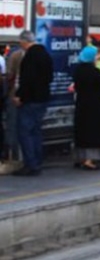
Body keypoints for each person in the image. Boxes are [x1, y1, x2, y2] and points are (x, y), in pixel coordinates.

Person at [12, 30, 53, 176]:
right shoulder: (45, 54)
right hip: (43, 98)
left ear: (24, 41)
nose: (20, 45)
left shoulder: (30, 57)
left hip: (30, 100)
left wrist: (19, 96)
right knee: (36, 131)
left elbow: (27, 80)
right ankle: (37, 160)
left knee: (25, 132)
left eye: (20, 42)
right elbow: (49, 77)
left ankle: (30, 164)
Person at [72, 46, 100, 170]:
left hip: (81, 104)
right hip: (95, 106)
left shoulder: (78, 70)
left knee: (82, 130)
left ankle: (81, 158)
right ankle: (89, 160)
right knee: (93, 131)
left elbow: (76, 87)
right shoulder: (95, 72)